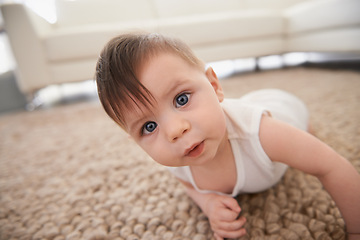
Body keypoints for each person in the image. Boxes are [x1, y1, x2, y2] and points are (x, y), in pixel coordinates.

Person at [95, 32, 360, 240]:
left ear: (214, 85)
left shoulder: (261, 133)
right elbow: (187, 185)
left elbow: (332, 167)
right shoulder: (178, 158)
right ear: (136, 141)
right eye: (149, 127)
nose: (175, 131)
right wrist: (208, 203)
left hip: (282, 105)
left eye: (181, 98)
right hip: (229, 111)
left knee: (304, 139)